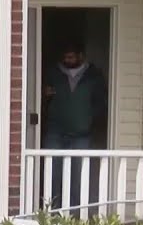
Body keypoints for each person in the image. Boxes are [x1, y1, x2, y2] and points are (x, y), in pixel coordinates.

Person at [42, 42, 106, 209]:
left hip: (81, 134)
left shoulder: (94, 76)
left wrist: (89, 120)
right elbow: (38, 97)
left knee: (79, 175)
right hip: (55, 132)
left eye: (71, 56)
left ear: (80, 56)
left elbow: (101, 103)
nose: (67, 60)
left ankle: (77, 214)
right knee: (53, 174)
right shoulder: (52, 73)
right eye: (65, 57)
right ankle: (53, 213)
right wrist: (45, 95)